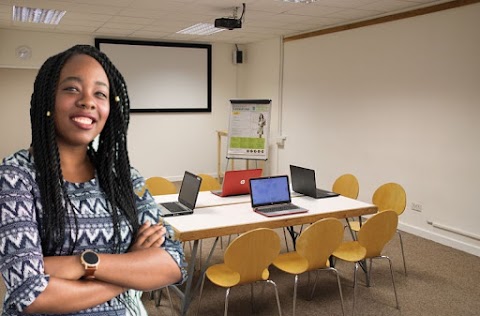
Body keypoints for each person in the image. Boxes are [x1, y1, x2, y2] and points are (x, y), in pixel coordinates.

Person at [0, 45, 186, 315]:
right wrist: (130, 268)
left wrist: (86, 263)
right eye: (72, 89)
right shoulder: (16, 177)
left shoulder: (123, 178)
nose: (88, 101)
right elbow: (31, 295)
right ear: (47, 99)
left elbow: (173, 262)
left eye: (100, 93)